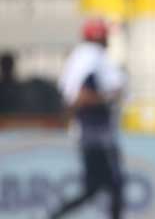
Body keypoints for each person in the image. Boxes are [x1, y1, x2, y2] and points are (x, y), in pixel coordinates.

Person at [49, 18, 126, 219]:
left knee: (99, 187)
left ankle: (55, 215)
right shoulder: (90, 58)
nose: (108, 38)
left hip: (95, 133)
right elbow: (80, 97)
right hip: (96, 135)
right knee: (113, 185)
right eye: (105, 34)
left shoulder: (84, 57)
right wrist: (108, 96)